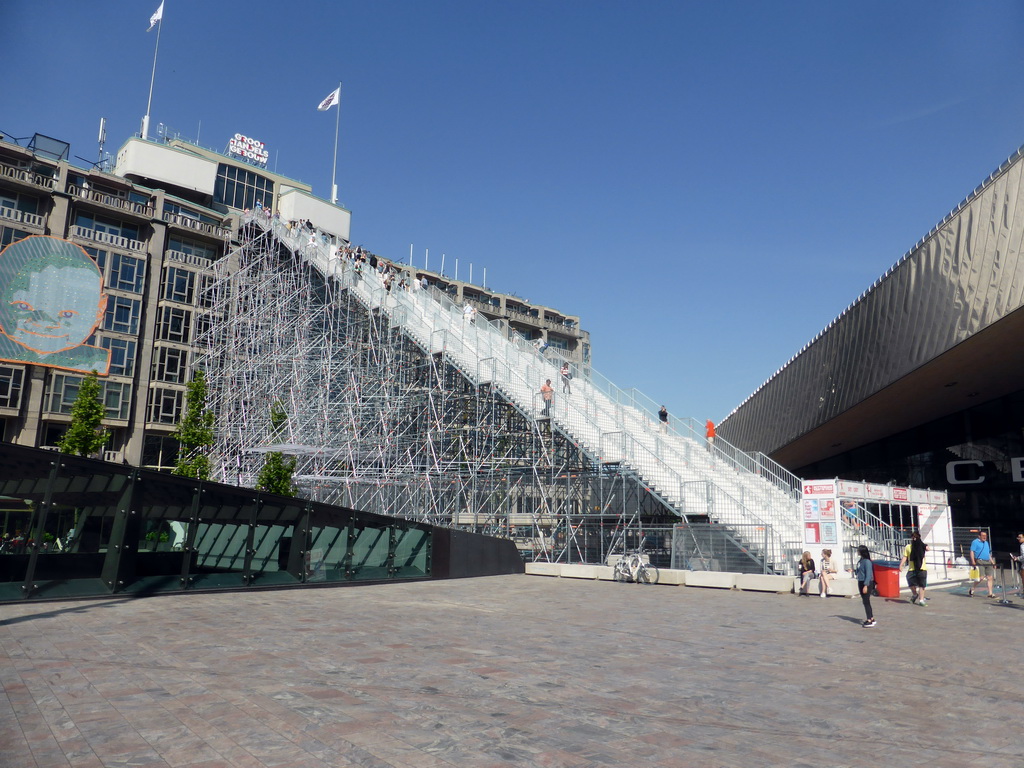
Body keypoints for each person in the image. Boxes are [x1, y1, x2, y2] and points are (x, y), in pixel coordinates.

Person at [0, 235, 110, 374]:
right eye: (24, 307)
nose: (45, 323)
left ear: (99, 310)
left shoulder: (95, 363)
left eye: (67, 314)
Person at [899, 531, 928, 605]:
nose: (914, 539)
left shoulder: (922, 545)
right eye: (913, 537)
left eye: (916, 537)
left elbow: (928, 548)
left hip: (921, 568)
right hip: (912, 568)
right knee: (910, 581)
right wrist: (901, 565)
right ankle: (915, 594)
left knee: (922, 585)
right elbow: (905, 556)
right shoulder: (908, 547)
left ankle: (921, 600)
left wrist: (921, 544)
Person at [969, 530, 996, 598]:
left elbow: (988, 553)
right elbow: (972, 551)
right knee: (981, 577)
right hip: (980, 561)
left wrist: (992, 562)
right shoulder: (975, 542)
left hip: (987, 561)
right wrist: (973, 561)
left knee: (990, 577)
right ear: (979, 536)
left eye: (985, 536)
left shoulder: (986, 543)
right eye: (983, 535)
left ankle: (990, 593)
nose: (984, 537)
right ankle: (973, 588)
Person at [854, 545, 876, 627]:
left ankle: (869, 619)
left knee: (866, 601)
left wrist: (866, 585)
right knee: (865, 601)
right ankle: (872, 617)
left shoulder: (867, 561)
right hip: (860, 581)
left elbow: (869, 574)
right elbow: (859, 570)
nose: (857, 552)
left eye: (858, 550)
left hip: (866, 582)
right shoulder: (861, 561)